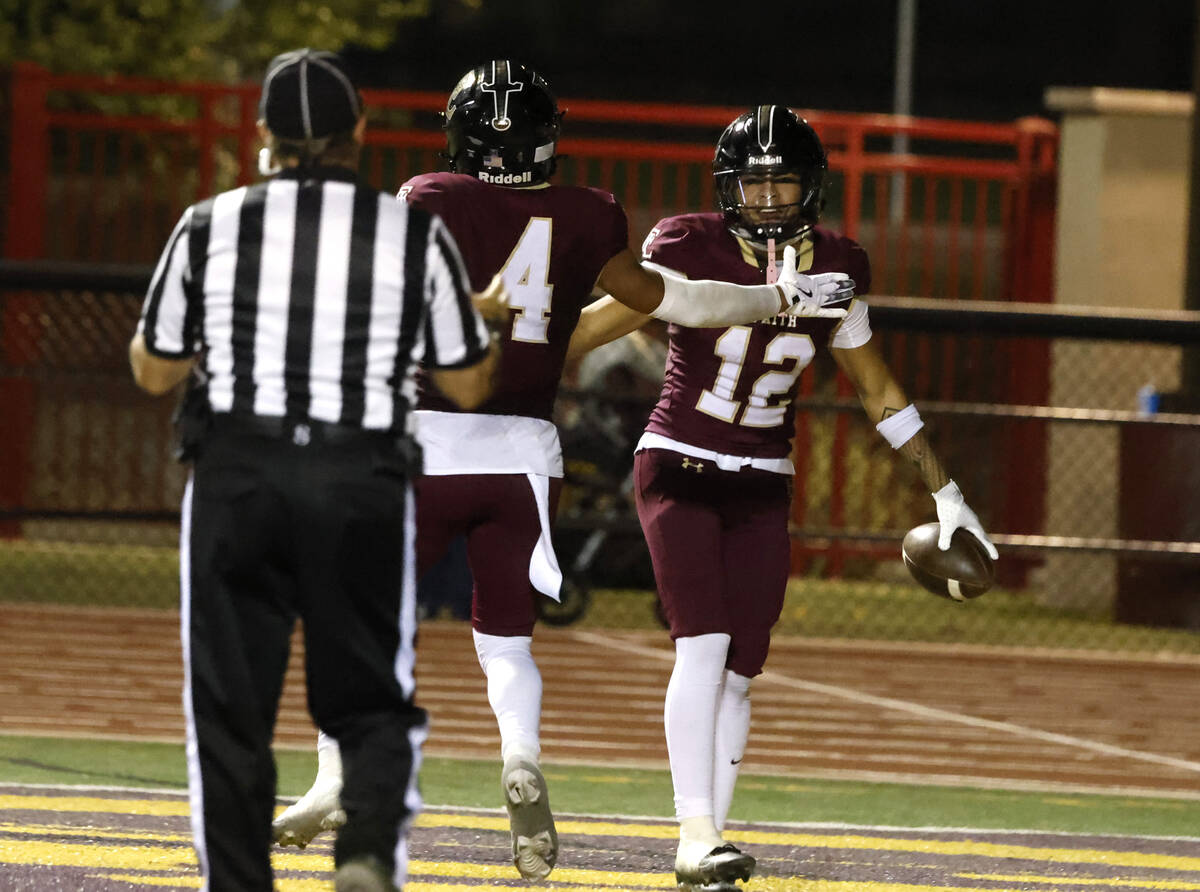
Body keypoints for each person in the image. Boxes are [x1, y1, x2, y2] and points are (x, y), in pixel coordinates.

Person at [271, 62, 856, 881]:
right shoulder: (589, 214)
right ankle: (521, 753)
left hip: (425, 442)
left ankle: (334, 778)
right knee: (506, 640)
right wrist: (774, 301)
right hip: (523, 457)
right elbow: (677, 301)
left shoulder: (429, 198)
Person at [565, 105, 999, 891]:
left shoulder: (839, 264)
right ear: (728, 188)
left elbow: (877, 390)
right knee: (700, 643)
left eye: (783, 182)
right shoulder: (687, 243)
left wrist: (948, 492)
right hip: (681, 459)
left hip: (764, 478)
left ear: (814, 186)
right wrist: (511, 362)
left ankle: (714, 847)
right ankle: (694, 834)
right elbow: (605, 323)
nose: (767, 199)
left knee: (740, 667)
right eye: (754, 184)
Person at [129, 48, 499, 892]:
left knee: (228, 711)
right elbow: (469, 382)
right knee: (370, 691)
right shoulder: (412, 231)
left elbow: (154, 370)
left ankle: (239, 882)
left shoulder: (208, 224)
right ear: (358, 133)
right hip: (357, 471)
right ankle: (367, 846)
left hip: (239, 473)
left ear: (264, 133)